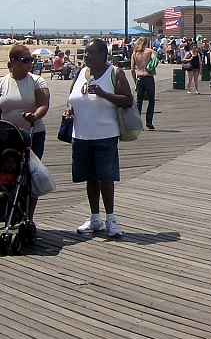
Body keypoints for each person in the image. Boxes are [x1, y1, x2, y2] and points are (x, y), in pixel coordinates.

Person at [64, 38, 133, 238]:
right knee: (90, 178)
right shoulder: (80, 73)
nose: (86, 56)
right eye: (85, 52)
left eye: (91, 52)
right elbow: (72, 98)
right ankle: (95, 218)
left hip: (105, 134)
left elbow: (128, 100)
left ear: (103, 55)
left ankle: (110, 218)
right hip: (81, 135)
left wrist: (103, 94)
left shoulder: (114, 73)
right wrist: (69, 110)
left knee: (106, 177)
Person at [0, 44, 51, 221]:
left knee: (29, 176)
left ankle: (28, 218)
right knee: (7, 174)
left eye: (31, 59)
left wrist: (34, 116)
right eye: (25, 60)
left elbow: (43, 104)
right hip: (7, 137)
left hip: (32, 134)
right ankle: (8, 211)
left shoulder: (37, 81)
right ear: (13, 61)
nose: (30, 63)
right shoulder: (3, 82)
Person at [130, 36, 156, 129]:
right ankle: (149, 121)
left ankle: (137, 122)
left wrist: (135, 81)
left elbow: (132, 69)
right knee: (151, 100)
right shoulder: (149, 52)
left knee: (139, 101)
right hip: (148, 77)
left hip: (140, 77)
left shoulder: (134, 54)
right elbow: (155, 60)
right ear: (146, 43)